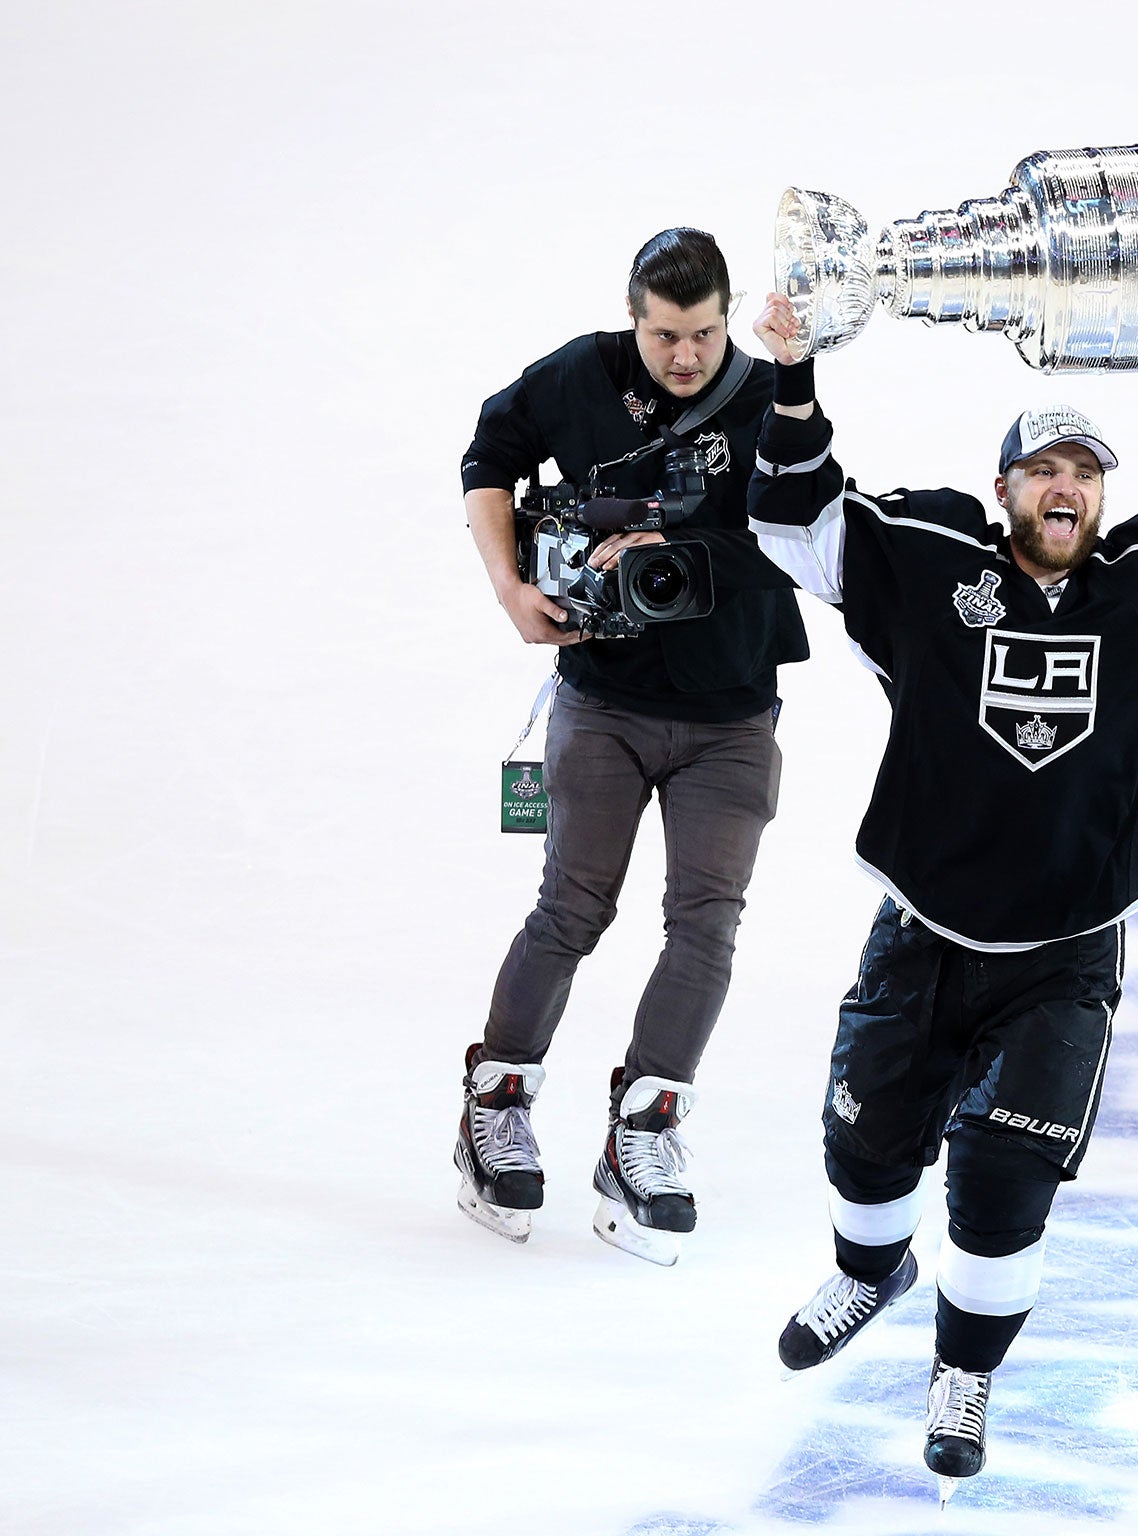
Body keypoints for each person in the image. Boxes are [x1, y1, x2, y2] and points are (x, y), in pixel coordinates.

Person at [745, 291, 1138, 1486]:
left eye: (1084, 471)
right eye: (1041, 469)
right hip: (921, 924)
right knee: (863, 1155)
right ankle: (870, 1275)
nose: (1064, 487)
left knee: (1003, 1183)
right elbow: (790, 519)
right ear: (1005, 487)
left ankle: (963, 1374)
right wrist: (795, 373)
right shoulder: (928, 560)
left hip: (1067, 947)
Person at [451, 230, 808, 1265]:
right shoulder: (578, 375)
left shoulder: (763, 397)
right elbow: (488, 456)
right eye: (663, 335)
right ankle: (496, 1106)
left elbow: (808, 522)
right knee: (572, 908)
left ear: (728, 316)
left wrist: (686, 545)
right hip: (601, 696)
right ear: (631, 315)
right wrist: (511, 588)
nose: (685, 356)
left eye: (701, 334)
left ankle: (644, 1132)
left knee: (707, 925)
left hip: (733, 710)